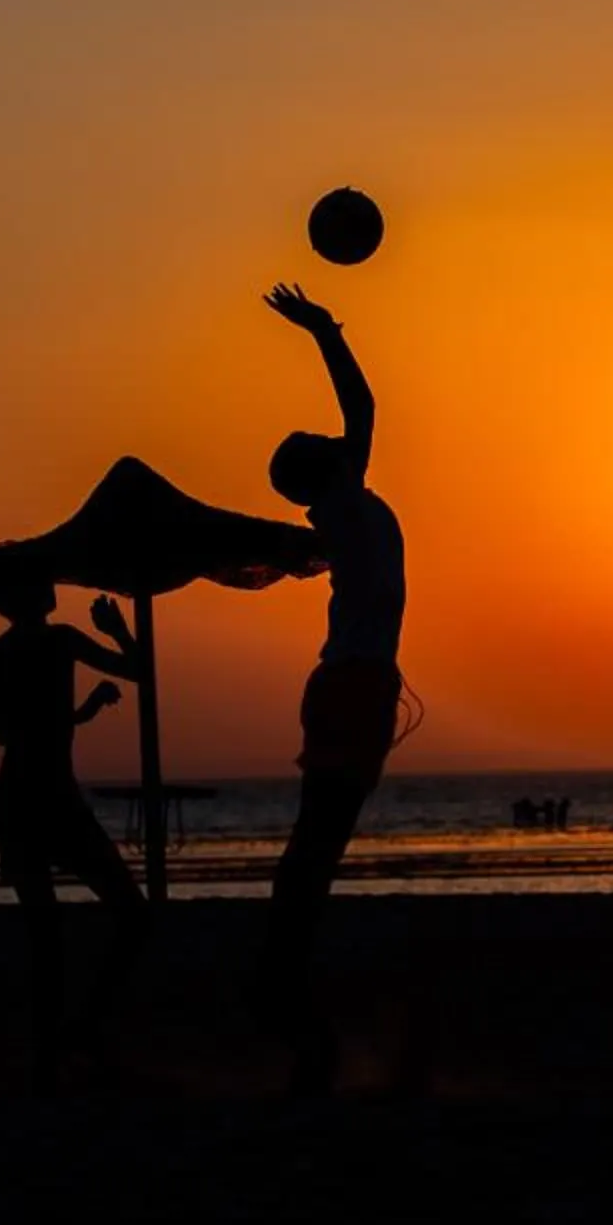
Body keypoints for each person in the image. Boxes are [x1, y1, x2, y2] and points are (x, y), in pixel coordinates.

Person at [256, 282, 407, 1092]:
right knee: (317, 845)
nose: (338, 437)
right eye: (326, 441)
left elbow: (359, 409)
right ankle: (282, 988)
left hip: (353, 686)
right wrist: (322, 330)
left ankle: (284, 982)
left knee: (317, 845)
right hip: (353, 687)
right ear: (325, 466)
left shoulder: (338, 512)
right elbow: (363, 402)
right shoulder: (345, 504)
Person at [0, 580, 151, 1089]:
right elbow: (140, 671)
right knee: (131, 917)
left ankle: (57, 1048)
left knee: (45, 935)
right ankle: (77, 1033)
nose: (51, 586)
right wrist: (120, 630)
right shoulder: (61, 640)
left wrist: (81, 713)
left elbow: (8, 731)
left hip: (17, 793)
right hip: (50, 794)